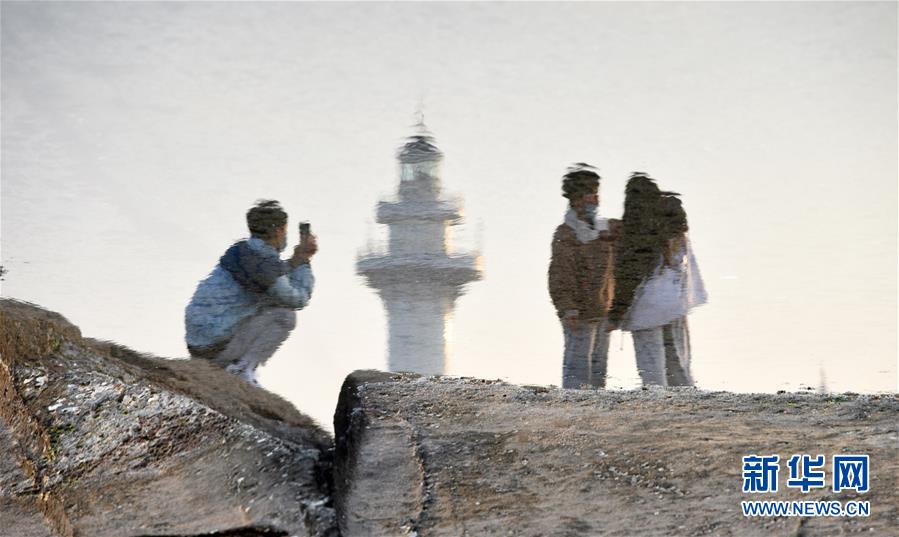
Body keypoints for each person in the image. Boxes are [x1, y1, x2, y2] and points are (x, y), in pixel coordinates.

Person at [185, 200, 318, 386]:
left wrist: (294, 261)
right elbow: (298, 299)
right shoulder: (265, 266)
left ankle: (234, 365)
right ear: (279, 231)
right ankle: (241, 369)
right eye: (285, 231)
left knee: (268, 303)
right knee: (286, 316)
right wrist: (304, 261)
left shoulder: (241, 250)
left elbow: (272, 276)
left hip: (197, 343)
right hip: (214, 350)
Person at [607, 173, 707, 387]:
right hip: (675, 303)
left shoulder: (637, 232)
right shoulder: (674, 229)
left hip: (647, 309)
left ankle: (657, 399)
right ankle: (686, 398)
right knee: (678, 360)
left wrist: (615, 314)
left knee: (651, 363)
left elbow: (630, 275)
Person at [548, 165, 620, 389]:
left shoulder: (603, 230)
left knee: (599, 367)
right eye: (591, 195)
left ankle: (595, 411)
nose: (596, 200)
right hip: (578, 313)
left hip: (601, 308)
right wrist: (568, 307)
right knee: (577, 365)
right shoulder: (566, 233)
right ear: (577, 200)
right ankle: (572, 408)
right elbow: (560, 274)